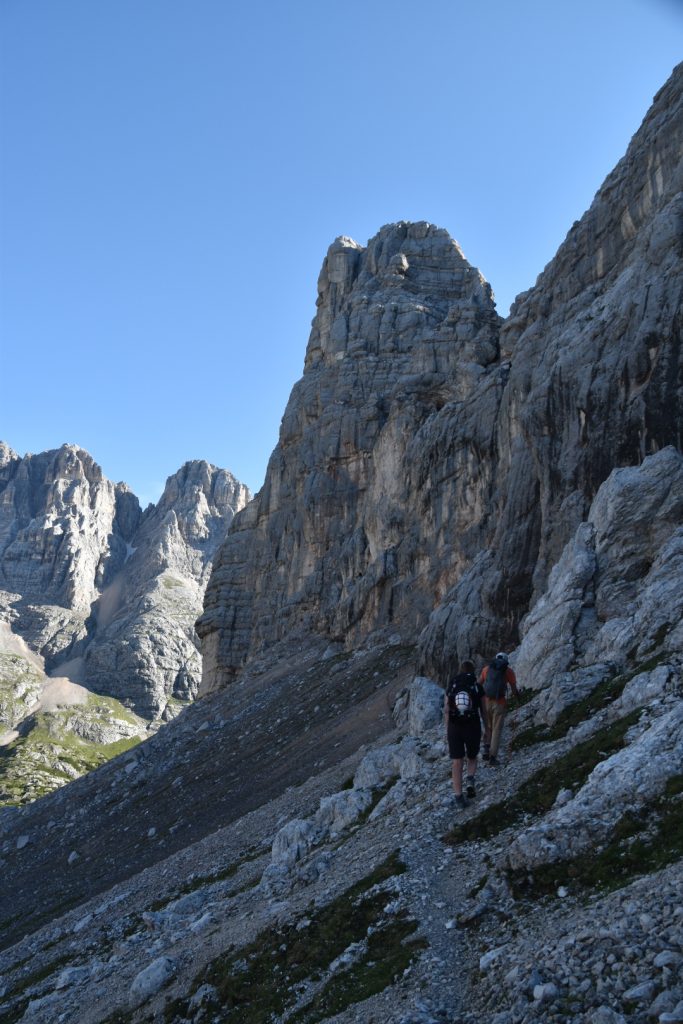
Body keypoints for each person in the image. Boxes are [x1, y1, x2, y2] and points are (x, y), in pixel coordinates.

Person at [444, 659, 484, 808]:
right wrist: (488, 729)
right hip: (472, 725)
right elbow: (484, 711)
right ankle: (470, 779)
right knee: (472, 756)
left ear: (460, 670)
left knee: (457, 761)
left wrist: (448, 729)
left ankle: (459, 797)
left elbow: (447, 710)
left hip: (454, 727)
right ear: (473, 671)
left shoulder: (452, 686)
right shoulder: (477, 687)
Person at [480, 652, 519, 765]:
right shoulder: (508, 671)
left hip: (486, 702)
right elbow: (513, 688)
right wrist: (518, 697)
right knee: (497, 729)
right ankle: (492, 757)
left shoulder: (486, 669)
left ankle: (486, 748)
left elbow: (479, 683)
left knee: (488, 727)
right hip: (500, 702)